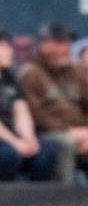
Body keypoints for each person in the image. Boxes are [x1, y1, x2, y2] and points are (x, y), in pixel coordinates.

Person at [19, 22, 88, 184]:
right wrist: (68, 131)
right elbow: (34, 114)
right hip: (48, 135)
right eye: (58, 43)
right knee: (65, 143)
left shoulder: (76, 72)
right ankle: (65, 203)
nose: (63, 48)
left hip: (83, 134)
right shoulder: (31, 73)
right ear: (43, 45)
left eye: (66, 42)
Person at [0, 29, 56, 182]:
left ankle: (40, 204)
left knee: (45, 153)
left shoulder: (8, 76)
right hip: (5, 140)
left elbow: (21, 110)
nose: (9, 51)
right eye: (3, 47)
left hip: (12, 137)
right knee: (7, 156)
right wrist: (15, 143)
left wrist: (28, 138)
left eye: (8, 46)